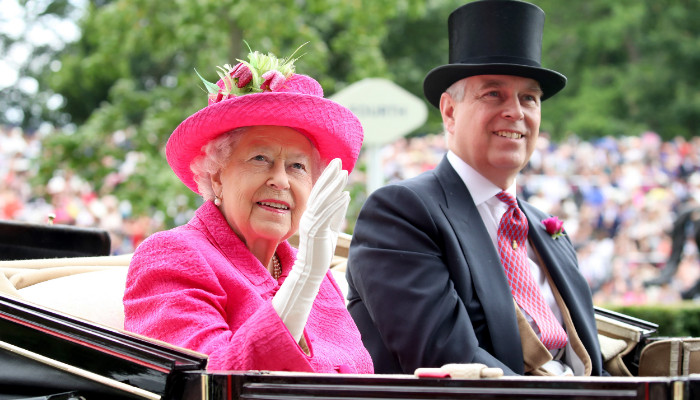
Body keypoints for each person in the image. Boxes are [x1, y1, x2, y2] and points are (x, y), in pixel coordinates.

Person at [346, 0, 604, 376]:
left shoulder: (547, 229)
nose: (516, 111)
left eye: (529, 98)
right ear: (450, 111)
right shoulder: (402, 213)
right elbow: (447, 359)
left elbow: (590, 363)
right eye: (493, 94)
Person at [123, 46, 373, 374]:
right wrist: (302, 280)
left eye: (297, 166)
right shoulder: (170, 255)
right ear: (216, 175)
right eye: (260, 158)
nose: (280, 180)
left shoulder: (312, 270)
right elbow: (207, 382)